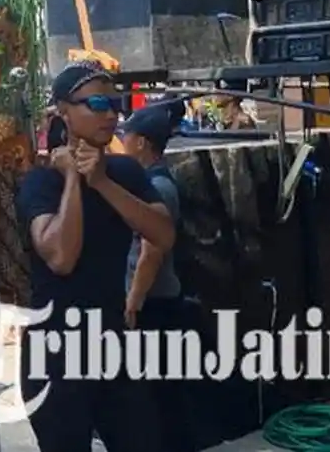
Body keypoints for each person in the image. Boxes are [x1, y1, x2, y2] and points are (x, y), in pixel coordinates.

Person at [15, 61, 176, 452]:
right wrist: (73, 177)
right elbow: (61, 258)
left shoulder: (124, 172)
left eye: (115, 104)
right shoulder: (41, 182)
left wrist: (101, 181)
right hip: (54, 348)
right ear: (63, 113)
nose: (110, 114)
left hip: (111, 340)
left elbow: (163, 235)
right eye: (97, 103)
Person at [116, 100, 196, 452]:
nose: (121, 143)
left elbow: (151, 252)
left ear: (142, 144)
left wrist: (133, 302)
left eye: (126, 137)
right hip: (152, 302)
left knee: (160, 395)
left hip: (155, 304)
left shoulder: (159, 189)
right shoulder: (147, 183)